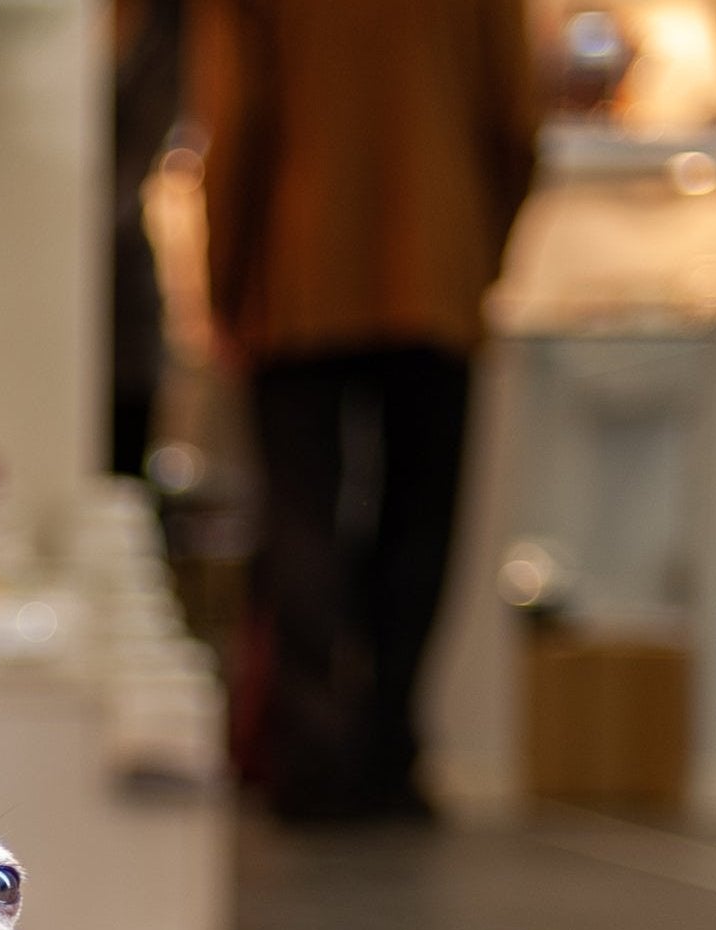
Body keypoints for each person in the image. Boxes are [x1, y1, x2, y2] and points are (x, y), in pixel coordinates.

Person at [194, 0, 539, 821]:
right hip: (440, 268)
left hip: (299, 264)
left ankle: (314, 755)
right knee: (423, 517)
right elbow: (517, 121)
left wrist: (225, 280)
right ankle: (389, 747)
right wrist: (475, 252)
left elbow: (235, 119)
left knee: (303, 508)